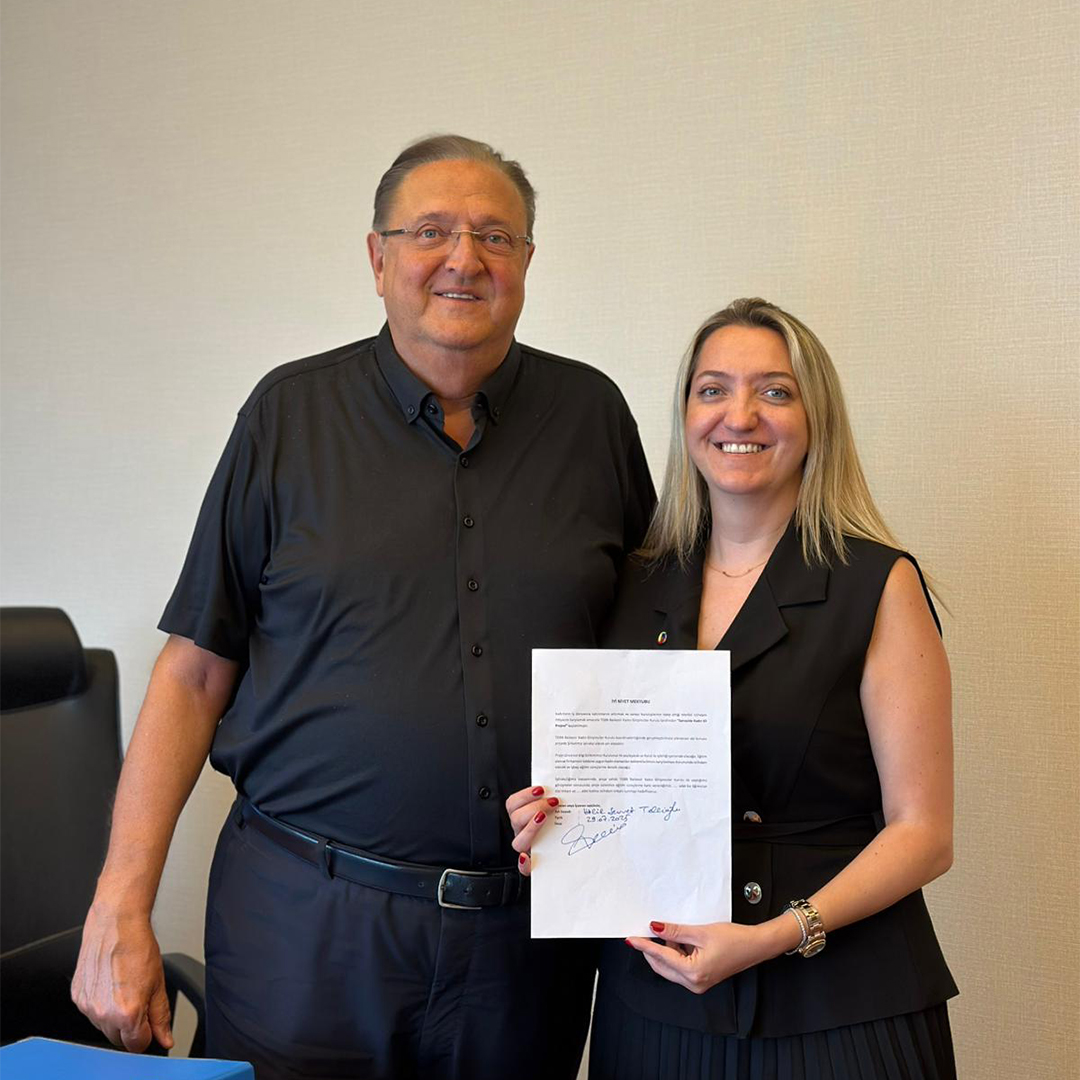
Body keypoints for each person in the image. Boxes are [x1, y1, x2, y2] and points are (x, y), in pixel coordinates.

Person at [72, 134, 655, 1079]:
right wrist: (120, 903)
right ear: (378, 259)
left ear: (527, 262)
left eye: (494, 236)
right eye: (431, 231)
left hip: (524, 948)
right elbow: (194, 671)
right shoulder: (287, 418)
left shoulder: (593, 419)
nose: (464, 258)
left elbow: (646, 663)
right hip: (308, 929)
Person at [508, 298, 957, 1079]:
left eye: (775, 391)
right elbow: (618, 792)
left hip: (838, 1010)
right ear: (686, 416)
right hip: (656, 1011)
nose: (739, 415)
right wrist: (554, 823)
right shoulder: (632, 585)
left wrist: (777, 934)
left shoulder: (879, 585)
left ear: (816, 419)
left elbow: (924, 833)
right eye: (712, 389)